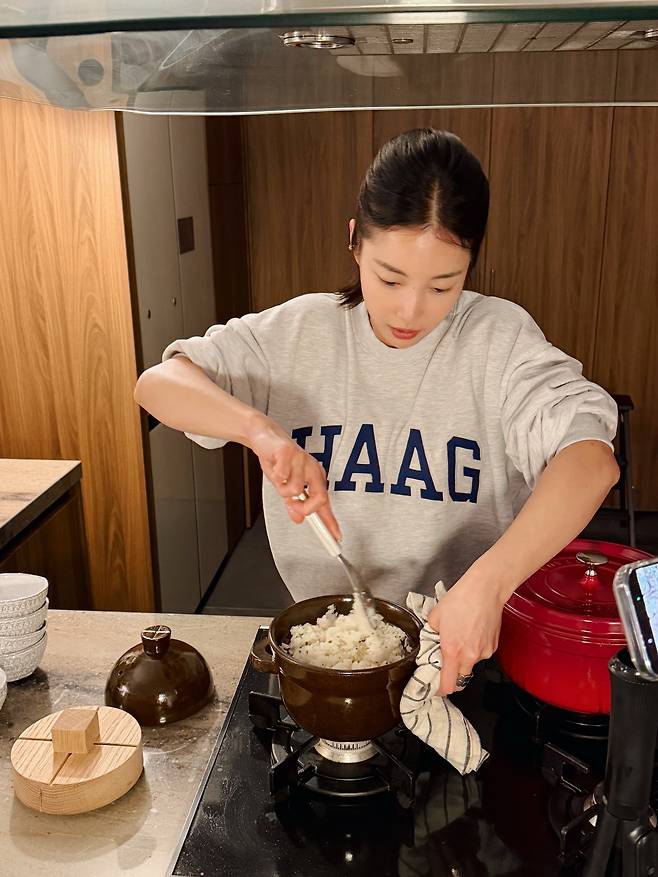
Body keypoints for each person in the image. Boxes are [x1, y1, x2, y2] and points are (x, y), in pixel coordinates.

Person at [134, 128, 619, 697]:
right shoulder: (298, 333)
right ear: (354, 242)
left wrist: (489, 584)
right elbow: (159, 384)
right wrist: (261, 432)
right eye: (390, 278)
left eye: (443, 286)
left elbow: (590, 462)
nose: (410, 310)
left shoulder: (499, 340)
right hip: (328, 650)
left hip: (459, 651)